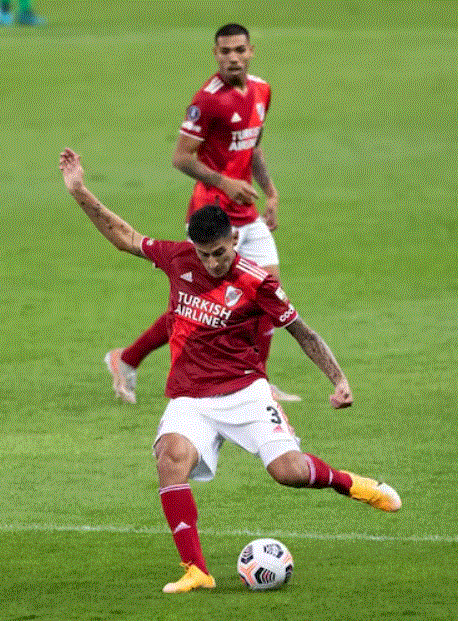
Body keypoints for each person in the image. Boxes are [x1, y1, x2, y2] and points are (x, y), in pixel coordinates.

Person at [60, 148, 401, 594]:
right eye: (205, 255)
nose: (212, 263)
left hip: (245, 391)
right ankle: (196, 570)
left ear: (234, 241)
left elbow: (302, 332)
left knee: (289, 472)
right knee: (170, 460)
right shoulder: (179, 259)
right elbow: (125, 237)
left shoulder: (257, 282)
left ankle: (353, 484)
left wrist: (339, 380)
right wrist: (79, 191)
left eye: (219, 253)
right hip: (191, 396)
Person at [105, 23, 299, 404]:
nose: (233, 58)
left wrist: (271, 193)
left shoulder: (262, 90)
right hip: (212, 215)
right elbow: (181, 158)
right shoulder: (207, 101)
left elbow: (253, 147)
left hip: (247, 213)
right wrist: (225, 182)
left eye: (239, 50)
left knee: (266, 294)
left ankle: (257, 381)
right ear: (215, 54)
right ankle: (125, 359)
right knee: (196, 306)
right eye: (225, 51)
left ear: (251, 51)